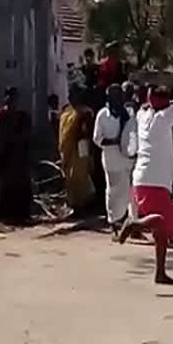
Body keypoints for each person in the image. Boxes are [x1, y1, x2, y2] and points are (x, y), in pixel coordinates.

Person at [118, 83, 173, 284]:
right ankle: (134, 224)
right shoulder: (164, 118)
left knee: (160, 233)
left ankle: (160, 272)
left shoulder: (143, 115)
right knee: (164, 224)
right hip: (156, 180)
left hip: (142, 177)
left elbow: (161, 104)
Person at [93, 84, 135, 235]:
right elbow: (97, 139)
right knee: (113, 191)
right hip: (111, 160)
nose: (118, 98)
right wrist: (115, 141)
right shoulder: (102, 115)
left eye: (120, 95)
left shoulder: (128, 114)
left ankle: (129, 222)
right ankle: (112, 221)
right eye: (114, 95)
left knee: (129, 191)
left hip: (127, 160)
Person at [0, 87, 32, 224]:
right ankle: (7, 216)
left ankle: (21, 215)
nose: (11, 100)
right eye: (9, 97)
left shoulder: (23, 116)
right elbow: (2, 134)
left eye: (14, 97)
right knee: (7, 185)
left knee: (21, 184)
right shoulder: (2, 114)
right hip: (7, 154)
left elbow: (27, 135)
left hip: (20, 156)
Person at [59, 84, 96, 215]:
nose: (70, 97)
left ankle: (83, 206)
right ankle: (73, 205)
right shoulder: (66, 111)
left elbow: (87, 131)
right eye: (69, 95)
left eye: (73, 94)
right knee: (69, 177)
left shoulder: (85, 112)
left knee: (80, 176)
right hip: (67, 149)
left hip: (81, 147)